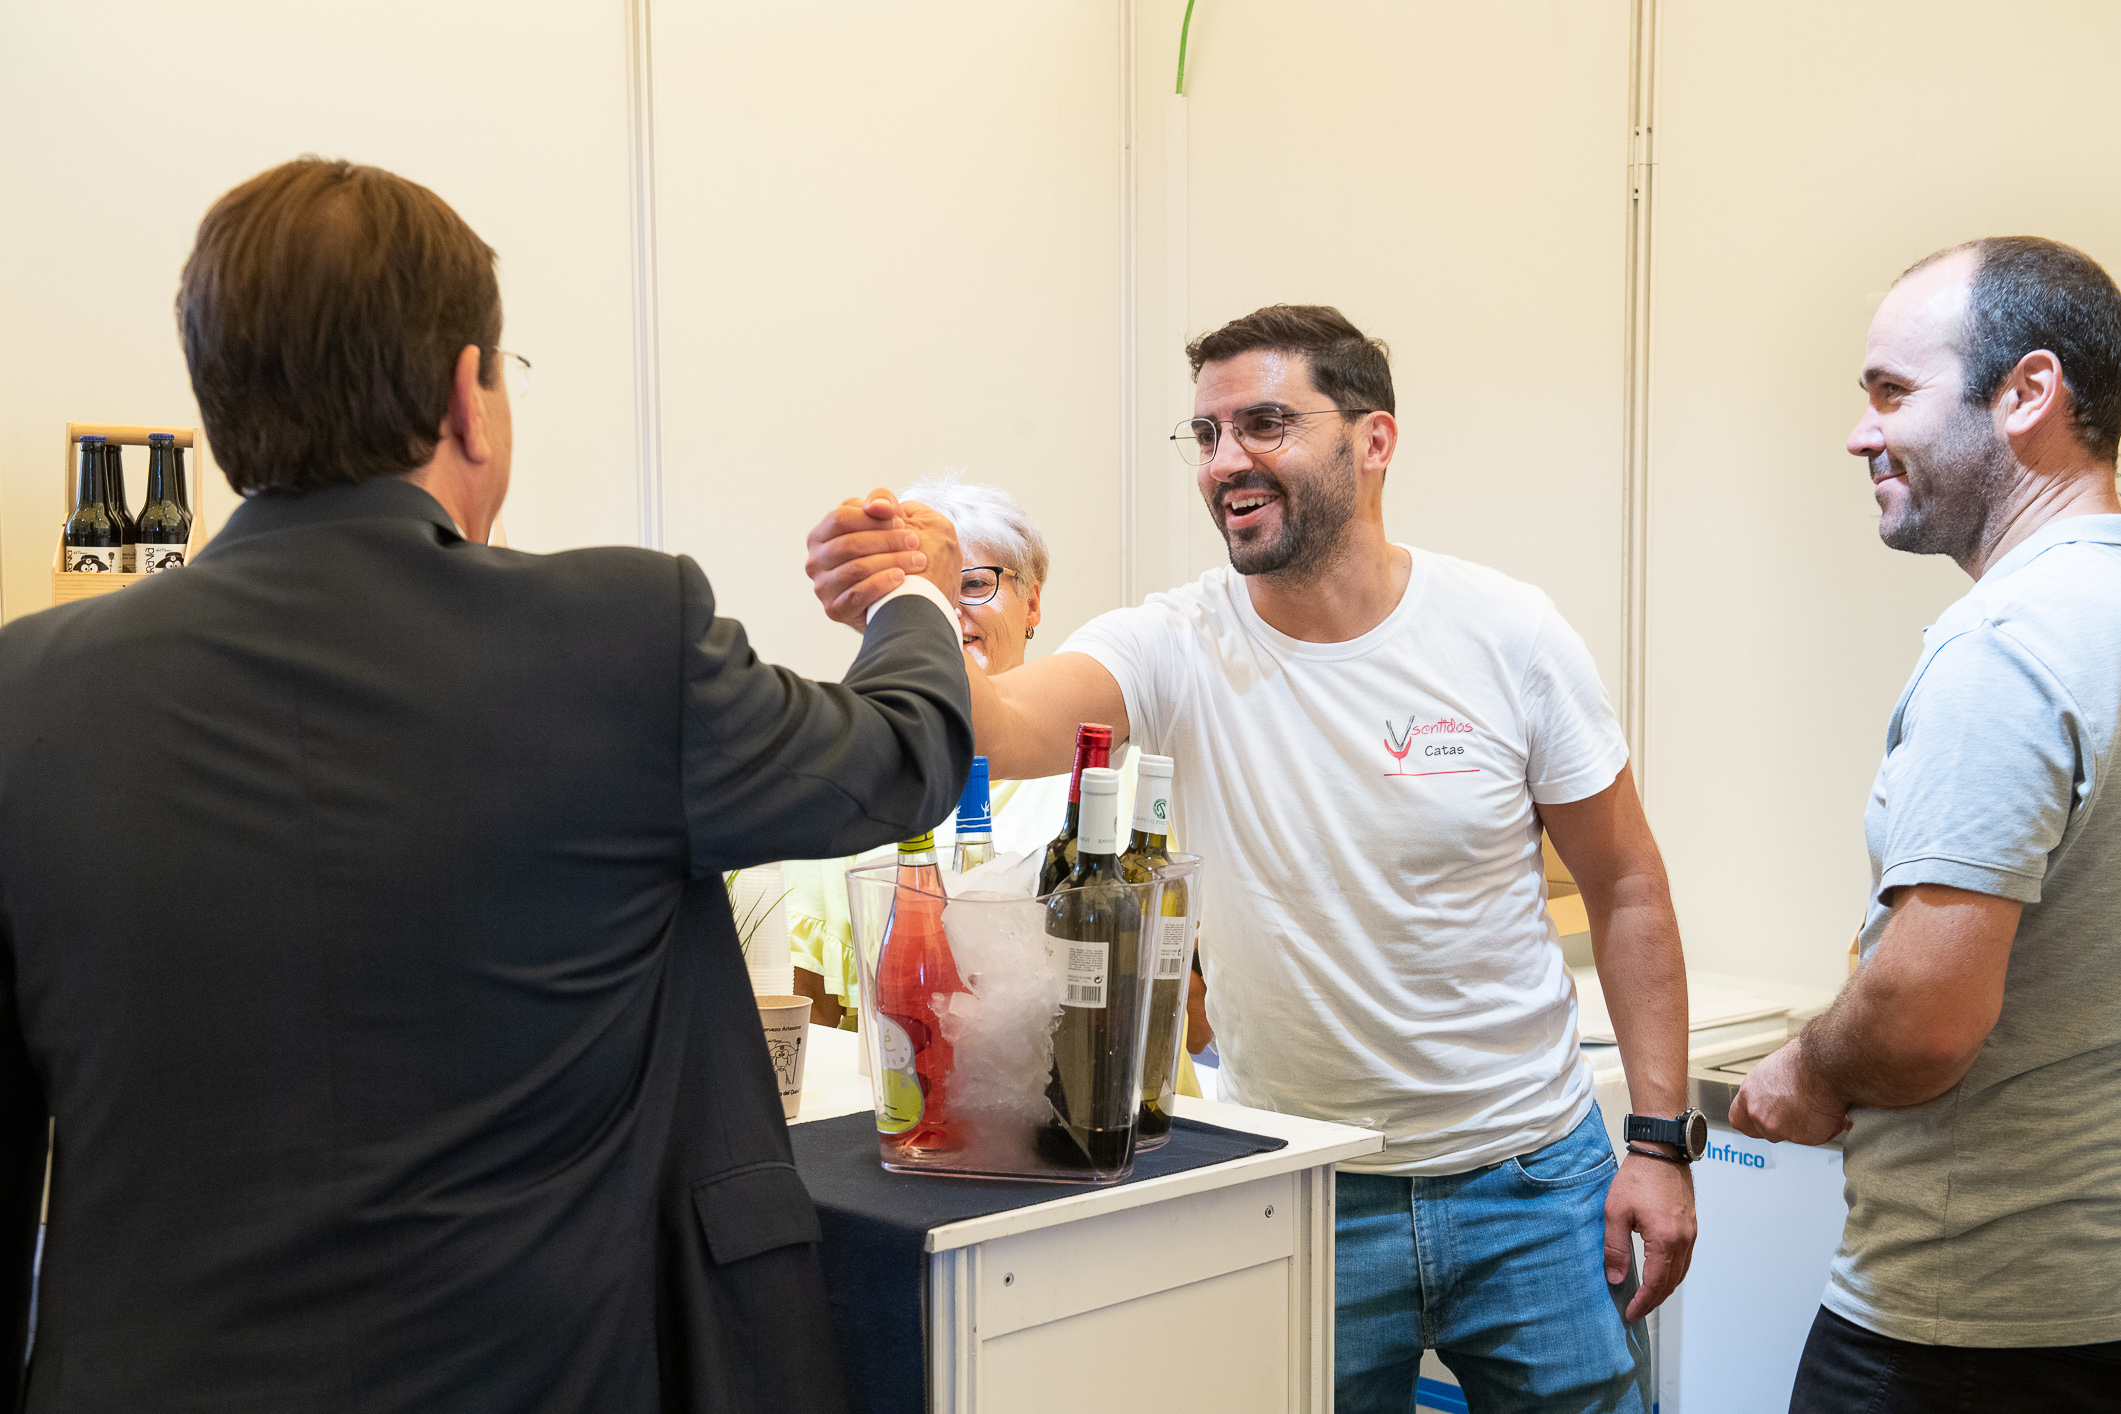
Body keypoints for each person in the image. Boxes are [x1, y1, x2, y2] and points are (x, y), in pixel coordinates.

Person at [0, 158, 970, 1412]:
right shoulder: (621, 638)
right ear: (471, 395)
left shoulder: (27, 693)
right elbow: (903, 753)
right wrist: (911, 597)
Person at [808, 305, 1697, 1412]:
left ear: (1374, 439)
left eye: (1266, 423)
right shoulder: (1175, 643)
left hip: (1530, 1181)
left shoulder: (1508, 634)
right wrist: (919, 596)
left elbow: (1624, 884)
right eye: (1208, 434)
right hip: (1306, 1185)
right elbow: (995, 727)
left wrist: (1660, 1143)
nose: (1228, 461)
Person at [1732, 237, 2121, 1409]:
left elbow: (1923, 1017)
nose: (1861, 434)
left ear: (2029, 392)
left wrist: (1806, 1062)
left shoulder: (2009, 647)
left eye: (1893, 392)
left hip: (1975, 1323)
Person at [785, 475, 1140, 1025]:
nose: (948, 616)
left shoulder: (1112, 766)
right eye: (924, 597)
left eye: (973, 586)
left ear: (1032, 604)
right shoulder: (850, 774)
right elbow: (815, 1017)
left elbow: (1180, 1004)